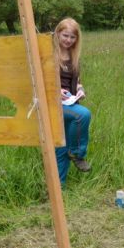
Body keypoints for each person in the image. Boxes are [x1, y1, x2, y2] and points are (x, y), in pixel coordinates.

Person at [53, 18, 92, 186]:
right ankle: (77, 153)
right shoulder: (49, 54)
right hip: (53, 103)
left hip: (69, 102)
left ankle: (58, 187)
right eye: (65, 35)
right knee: (83, 114)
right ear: (57, 34)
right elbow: (40, 80)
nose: (68, 40)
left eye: (72, 37)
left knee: (62, 145)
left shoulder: (73, 56)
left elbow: (76, 82)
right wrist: (56, 90)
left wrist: (80, 90)